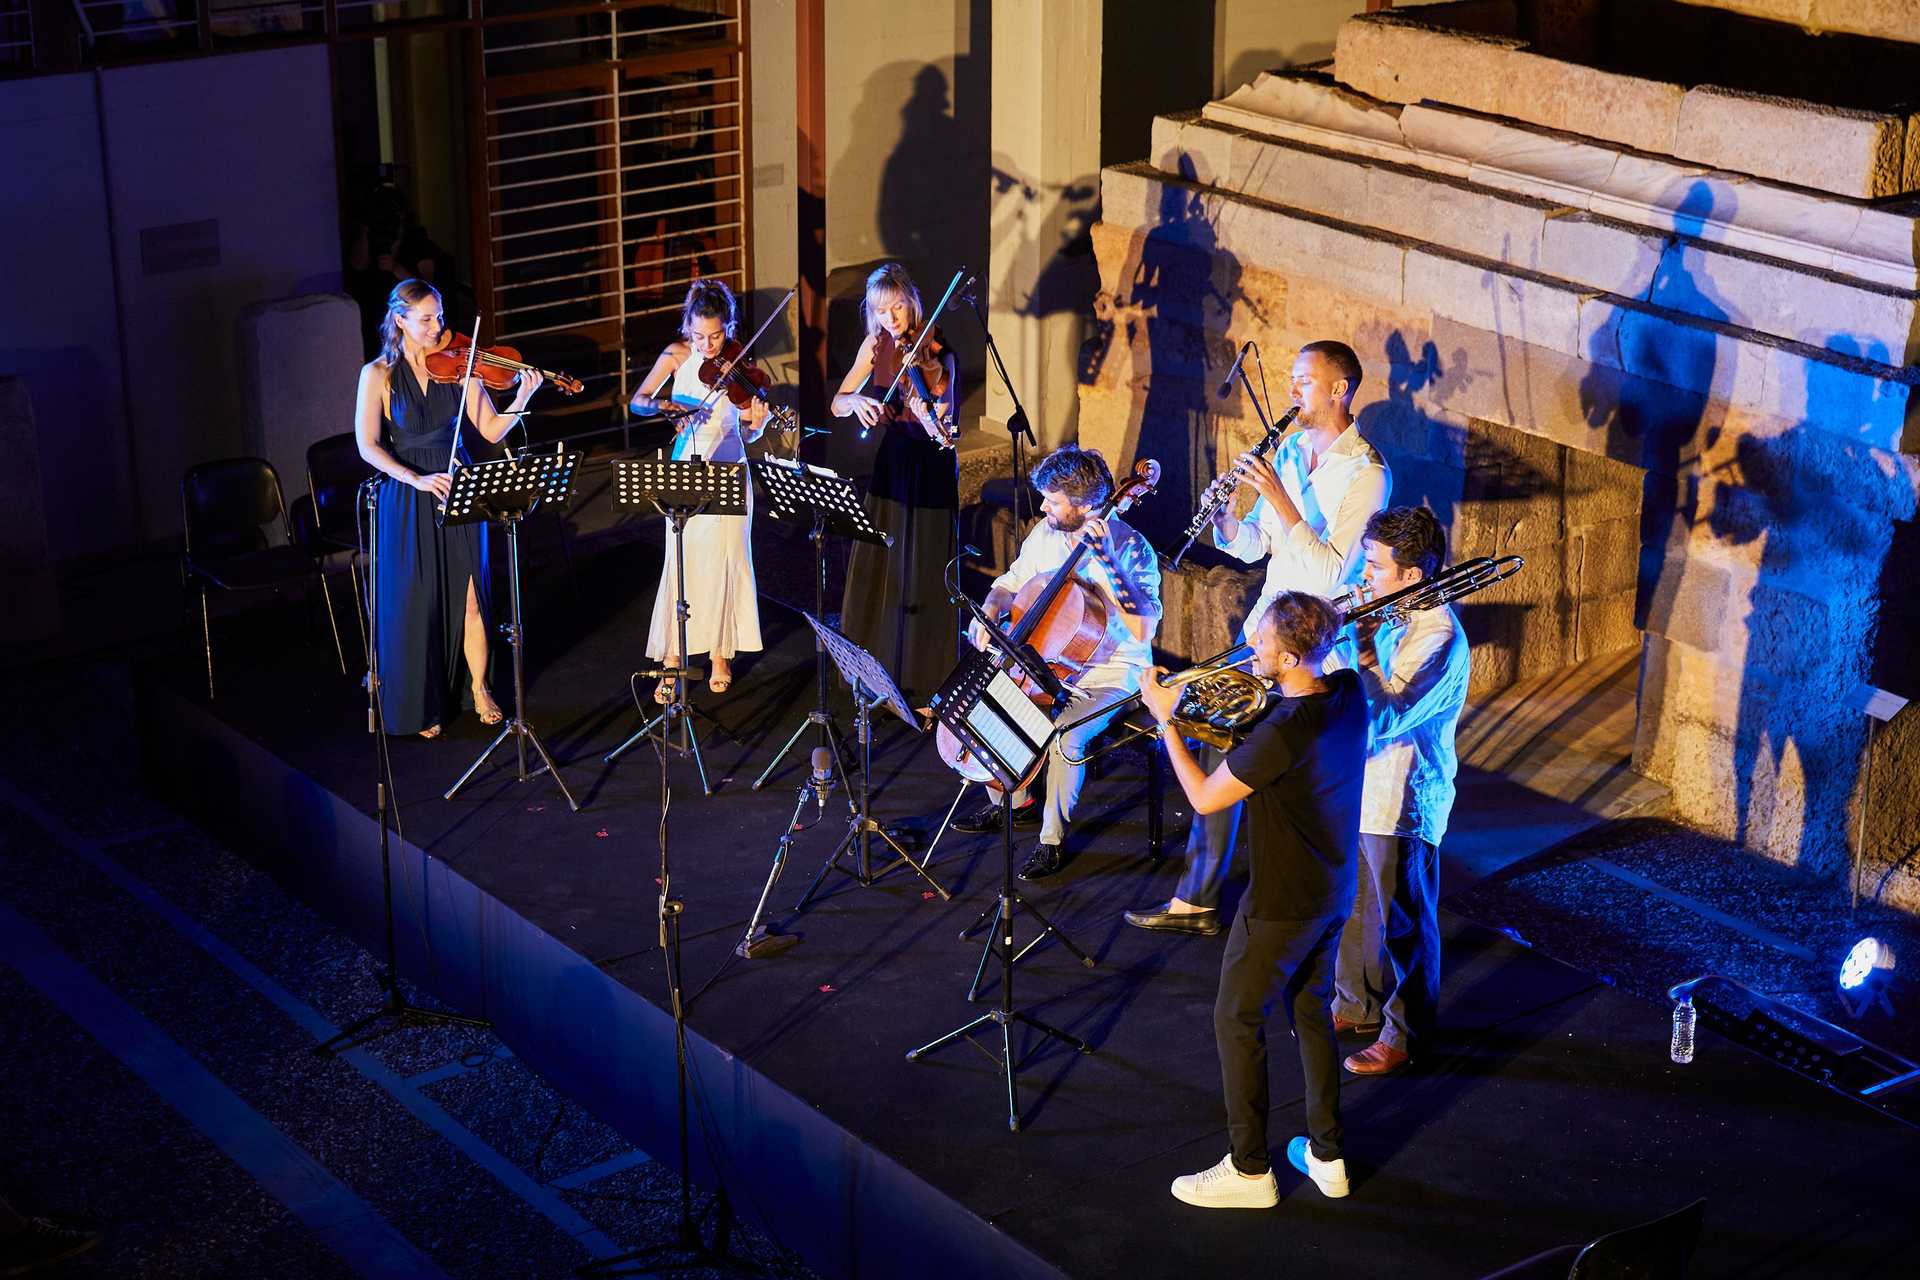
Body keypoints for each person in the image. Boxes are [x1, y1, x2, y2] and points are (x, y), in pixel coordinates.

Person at [1125, 339, 1388, 936]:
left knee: (1267, 767)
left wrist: (1278, 496)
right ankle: (1198, 899)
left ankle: (1260, 906)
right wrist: (1223, 518)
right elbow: (1254, 547)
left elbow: (1330, 575)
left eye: (1305, 383)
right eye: (1293, 381)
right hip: (1265, 637)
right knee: (1223, 743)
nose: (1294, 393)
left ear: (1340, 389)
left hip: (1312, 650)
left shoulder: (1367, 474)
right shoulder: (1293, 450)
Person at [1142, 593, 1367, 1208]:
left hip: (1280, 903)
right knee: (1311, 1012)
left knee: (1235, 1019)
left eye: (1261, 642)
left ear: (1291, 655)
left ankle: (1249, 1171)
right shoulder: (1348, 692)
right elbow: (1269, 726)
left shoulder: (1280, 734)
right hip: (1334, 889)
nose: (1252, 649)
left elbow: (1205, 799)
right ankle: (1328, 1156)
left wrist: (1167, 720)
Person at [952, 446, 1162, 880]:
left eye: (1053, 499)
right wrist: (991, 612)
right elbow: (1009, 584)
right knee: (990, 704)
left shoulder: (1133, 549)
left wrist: (1107, 561)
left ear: (1084, 506)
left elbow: (1143, 629)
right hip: (1049, 661)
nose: (1044, 505)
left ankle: (1052, 839)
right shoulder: (1046, 534)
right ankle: (1016, 803)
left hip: (1110, 673)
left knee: (1063, 737)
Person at [353, 279, 542, 738]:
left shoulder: (460, 367)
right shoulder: (376, 374)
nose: (438, 327)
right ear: (400, 321)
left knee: (472, 596)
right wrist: (413, 478)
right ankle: (423, 702)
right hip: (408, 491)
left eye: (438, 316)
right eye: (426, 319)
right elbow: (367, 445)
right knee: (418, 600)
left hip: (460, 487)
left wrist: (520, 398)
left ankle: (478, 687)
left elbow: (492, 430)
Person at [1334, 506, 1470, 1076]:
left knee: (1406, 922)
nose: (1364, 577)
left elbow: (1385, 715)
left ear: (1412, 575)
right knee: (1357, 907)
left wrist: (1361, 650)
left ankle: (1406, 1032)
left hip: (1404, 799)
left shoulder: (1437, 636)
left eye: (1374, 566)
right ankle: (1357, 1006)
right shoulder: (1391, 612)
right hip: (1364, 786)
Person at [629, 278, 769, 700]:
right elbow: (639, 400)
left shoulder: (738, 361)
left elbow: (747, 430)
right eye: (699, 335)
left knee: (728, 561)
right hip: (686, 464)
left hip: (728, 466)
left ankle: (721, 654)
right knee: (682, 560)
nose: (708, 345)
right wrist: (666, 407)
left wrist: (758, 422)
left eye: (716, 335)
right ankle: (673, 660)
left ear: (727, 327)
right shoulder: (675, 356)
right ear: (686, 326)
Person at [835, 263, 961, 704]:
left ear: (912, 302)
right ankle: (877, 675)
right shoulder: (875, 345)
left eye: (897, 309)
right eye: (881, 311)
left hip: (929, 468)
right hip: (892, 465)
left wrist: (922, 405)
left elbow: (943, 430)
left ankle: (927, 682)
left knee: (923, 571)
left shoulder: (939, 352)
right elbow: (836, 403)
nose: (891, 319)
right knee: (884, 566)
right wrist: (856, 402)